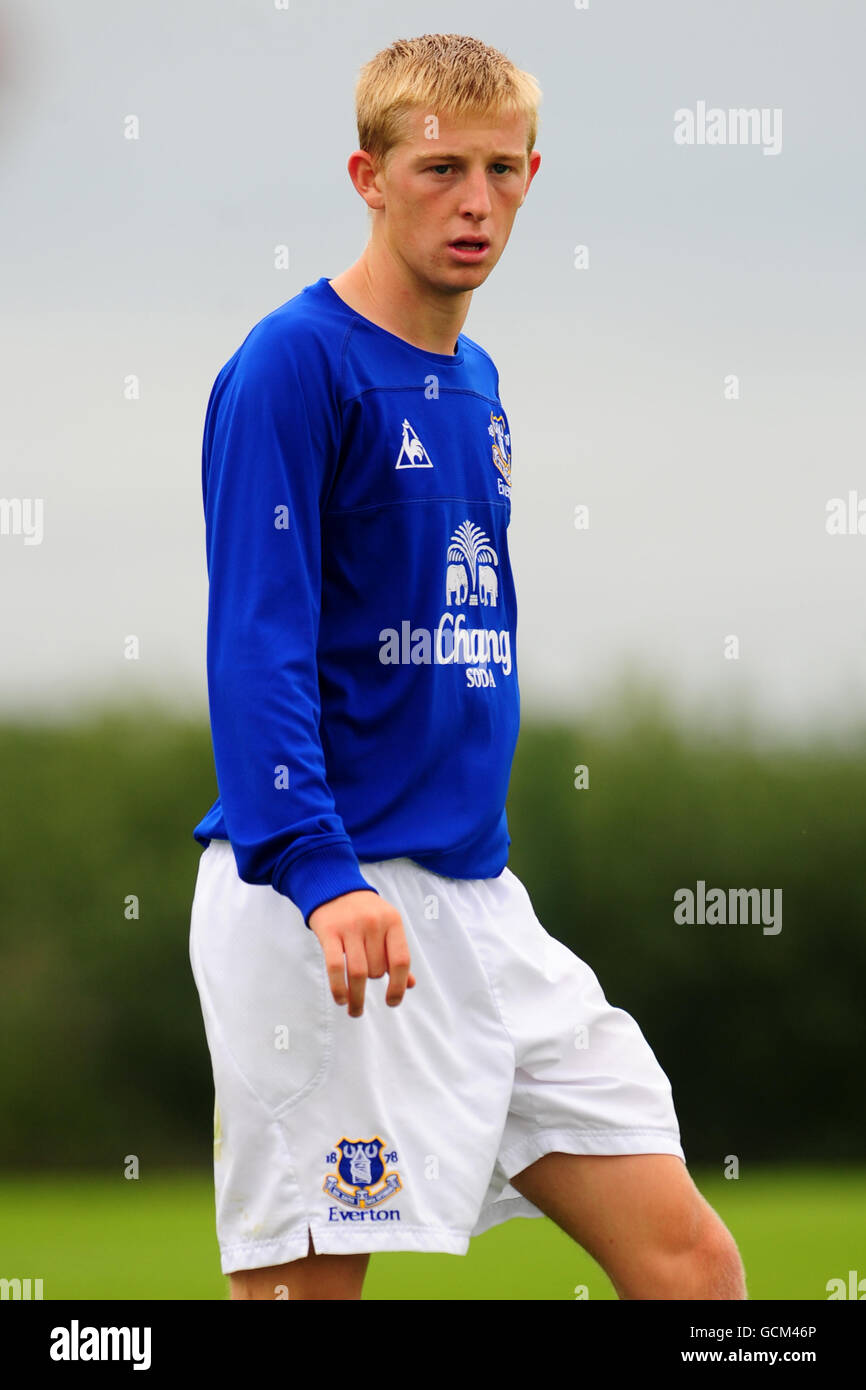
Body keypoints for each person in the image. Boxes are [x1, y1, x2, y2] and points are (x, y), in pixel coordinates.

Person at [188, 32, 746, 1302]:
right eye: (440, 167)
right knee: (306, 1298)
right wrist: (323, 877)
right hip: (322, 902)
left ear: (533, 176)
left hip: (479, 904)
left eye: (502, 170)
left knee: (690, 1262)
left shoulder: (476, 376)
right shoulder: (291, 364)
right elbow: (255, 648)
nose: (475, 201)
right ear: (367, 175)